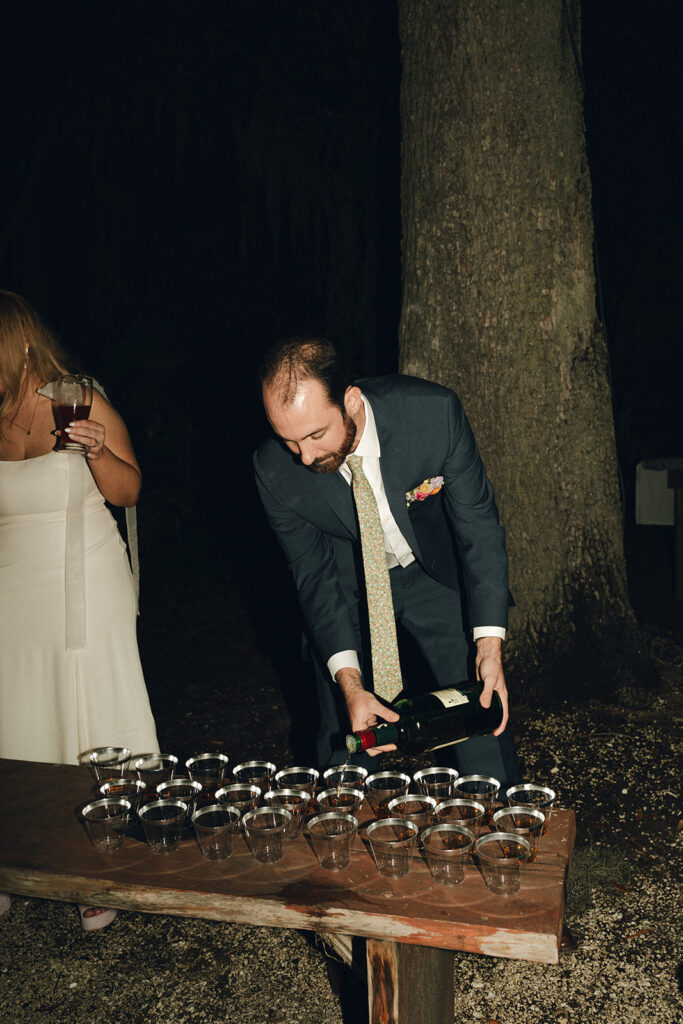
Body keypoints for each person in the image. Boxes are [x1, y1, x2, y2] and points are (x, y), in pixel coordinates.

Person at [254, 335, 521, 789]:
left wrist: (490, 646)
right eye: (289, 440)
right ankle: (343, 834)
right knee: (342, 733)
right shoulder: (274, 470)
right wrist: (351, 685)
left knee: (478, 707)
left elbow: (477, 526)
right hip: (347, 583)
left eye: (316, 434)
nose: (304, 456)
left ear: (352, 401)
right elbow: (314, 577)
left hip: (429, 572)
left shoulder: (431, 415)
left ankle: (500, 825)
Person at [0, 290, 159, 930]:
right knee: (18, 712)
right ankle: (15, 855)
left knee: (92, 710)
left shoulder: (77, 395)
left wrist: (96, 451)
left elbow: (130, 490)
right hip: (12, 586)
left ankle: (105, 865)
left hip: (84, 577)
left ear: (24, 345)